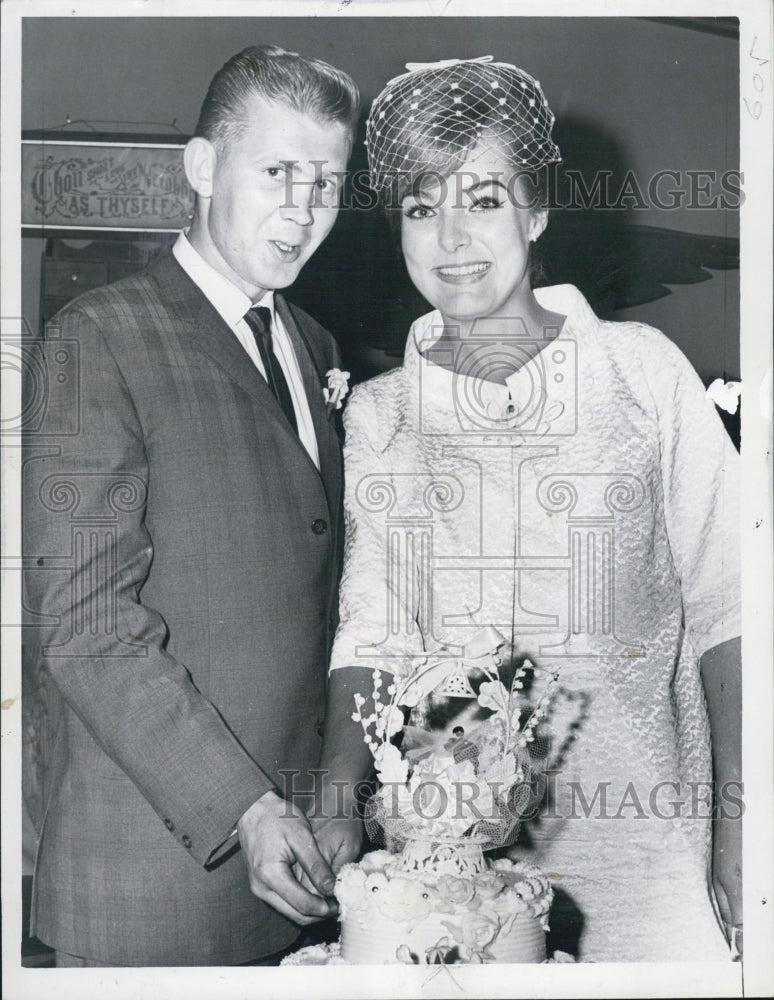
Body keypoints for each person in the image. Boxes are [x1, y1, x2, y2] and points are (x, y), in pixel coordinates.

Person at [313, 56, 742, 962]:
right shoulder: (382, 415)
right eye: (420, 208)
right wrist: (336, 807)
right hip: (458, 879)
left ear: (538, 211)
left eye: (483, 199)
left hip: (656, 859)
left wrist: (746, 827)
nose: (451, 237)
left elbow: (730, 606)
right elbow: (373, 632)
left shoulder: (641, 370)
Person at [22, 44, 359, 966]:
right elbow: (87, 627)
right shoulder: (94, 339)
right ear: (204, 167)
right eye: (278, 172)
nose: (304, 210)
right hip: (149, 892)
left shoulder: (317, 345)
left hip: (296, 879)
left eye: (327, 183)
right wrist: (247, 808)